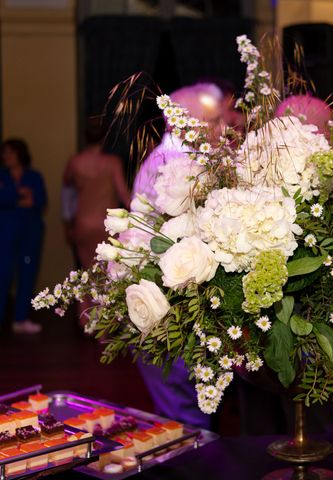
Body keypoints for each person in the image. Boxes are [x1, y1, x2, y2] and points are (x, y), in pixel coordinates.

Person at [133, 82, 228, 430]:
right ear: (183, 123)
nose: (224, 128)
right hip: (169, 312)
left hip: (180, 309)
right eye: (214, 120)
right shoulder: (172, 165)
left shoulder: (187, 158)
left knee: (193, 420)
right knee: (185, 426)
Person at [63, 118, 130, 326]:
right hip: (106, 225)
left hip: (83, 222)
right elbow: (124, 195)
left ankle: (86, 321)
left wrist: (67, 222)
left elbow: (66, 193)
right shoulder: (112, 163)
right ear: (105, 136)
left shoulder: (75, 162)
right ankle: (104, 323)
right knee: (107, 273)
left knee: (86, 271)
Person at [0, 139, 47, 334]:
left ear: (20, 154)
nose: (6, 156)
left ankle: (20, 318)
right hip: (6, 233)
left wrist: (28, 198)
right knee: (3, 275)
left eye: (10, 152)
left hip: (30, 232)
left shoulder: (34, 176)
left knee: (27, 274)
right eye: (5, 153)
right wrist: (19, 196)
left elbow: (40, 200)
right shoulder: (2, 175)